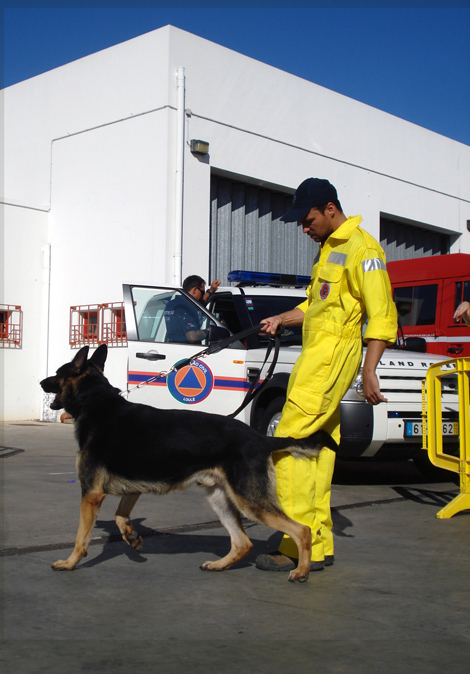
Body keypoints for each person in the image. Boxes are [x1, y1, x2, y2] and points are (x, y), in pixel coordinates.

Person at [255, 178, 398, 573]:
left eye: (308, 218)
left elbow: (382, 313)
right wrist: (283, 317)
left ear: (330, 209)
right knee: (318, 451)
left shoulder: (363, 249)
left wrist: (369, 370)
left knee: (290, 447)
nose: (304, 227)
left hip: (331, 359)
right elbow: (318, 306)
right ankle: (318, 544)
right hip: (318, 356)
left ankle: (293, 544)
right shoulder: (329, 251)